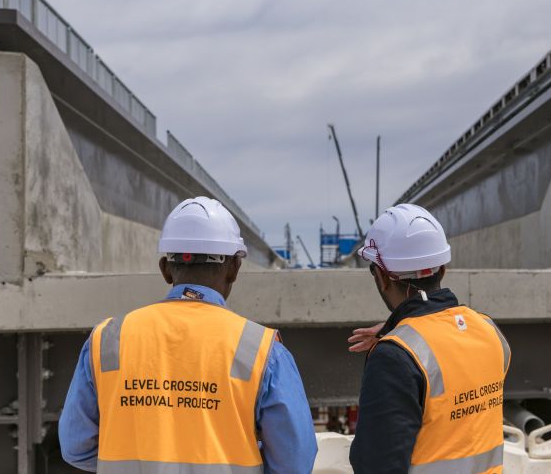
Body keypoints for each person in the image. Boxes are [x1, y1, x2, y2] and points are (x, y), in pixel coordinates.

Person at [59, 196, 318, 473]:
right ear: (234, 268)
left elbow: (76, 447)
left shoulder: (108, 340)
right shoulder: (259, 349)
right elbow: (294, 462)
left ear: (165, 269)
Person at [347, 204, 511, 474]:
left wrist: (399, 338)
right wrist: (400, 328)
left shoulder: (394, 358)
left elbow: (375, 465)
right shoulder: (489, 331)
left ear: (383, 278)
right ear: (442, 269)